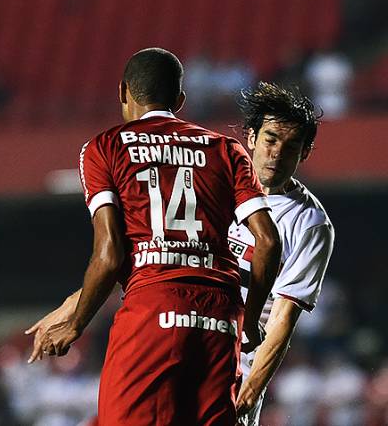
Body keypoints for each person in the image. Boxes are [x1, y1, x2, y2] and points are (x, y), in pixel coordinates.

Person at [26, 48, 282, 425]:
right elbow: (269, 242)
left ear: (122, 92)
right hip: (220, 316)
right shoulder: (226, 149)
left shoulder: (105, 148)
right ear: (180, 99)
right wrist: (249, 318)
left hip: (152, 308)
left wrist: (77, 323)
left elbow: (110, 254)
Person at [228, 82, 335, 425]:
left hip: (234, 367)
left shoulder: (309, 223)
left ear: (304, 154)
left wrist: (250, 388)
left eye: (291, 146)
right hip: (182, 346)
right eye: (271, 140)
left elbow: (282, 318)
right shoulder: (216, 187)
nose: (277, 153)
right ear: (251, 138)